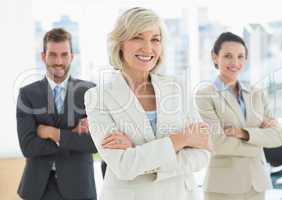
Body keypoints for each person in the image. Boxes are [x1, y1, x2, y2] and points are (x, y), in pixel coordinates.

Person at [85, 7, 211, 200]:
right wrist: (182, 139)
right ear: (120, 43)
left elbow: (203, 153)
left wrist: (139, 155)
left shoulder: (177, 88)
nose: (147, 47)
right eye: (137, 37)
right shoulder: (97, 97)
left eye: (155, 39)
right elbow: (123, 167)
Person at [195, 32, 282, 200]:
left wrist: (243, 133)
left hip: (257, 185)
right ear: (215, 57)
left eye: (240, 56)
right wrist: (259, 141)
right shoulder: (205, 95)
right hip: (223, 187)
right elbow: (217, 143)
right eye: (228, 56)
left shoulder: (256, 94)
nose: (235, 62)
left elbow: (278, 136)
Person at [16, 28, 97, 200]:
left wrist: (53, 134)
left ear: (72, 56)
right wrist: (72, 138)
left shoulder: (89, 92)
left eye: (64, 55)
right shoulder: (27, 94)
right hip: (38, 188)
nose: (58, 61)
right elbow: (28, 146)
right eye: (52, 54)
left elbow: (95, 143)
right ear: (43, 56)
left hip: (79, 187)